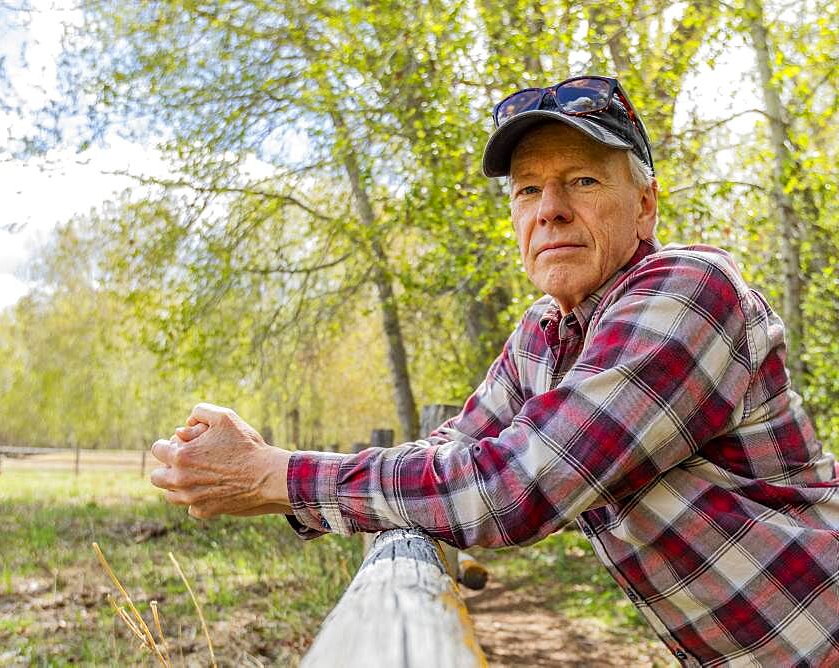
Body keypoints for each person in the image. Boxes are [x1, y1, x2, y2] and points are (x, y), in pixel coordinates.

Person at [150, 76, 839, 666]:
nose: (550, 210)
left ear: (646, 204)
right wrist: (272, 472)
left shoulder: (689, 293)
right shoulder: (544, 335)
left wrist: (277, 476)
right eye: (528, 190)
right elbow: (452, 451)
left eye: (583, 180)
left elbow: (512, 486)